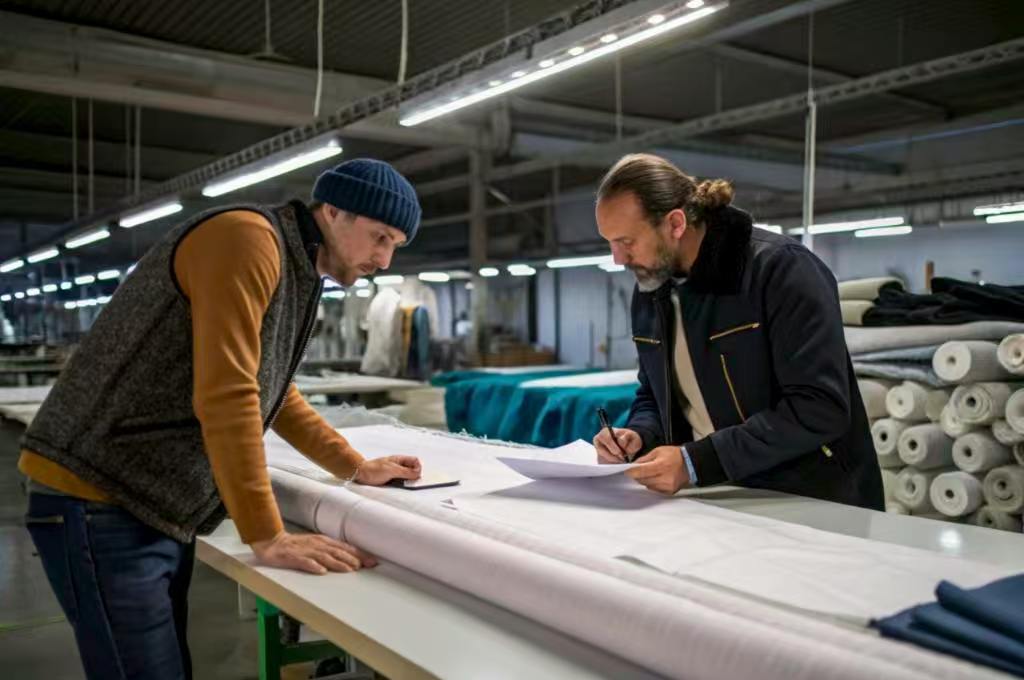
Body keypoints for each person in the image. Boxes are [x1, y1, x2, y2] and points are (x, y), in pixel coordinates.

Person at [19, 158, 424, 679]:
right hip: (97, 492)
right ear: (333, 212)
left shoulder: (297, 268)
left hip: (149, 499)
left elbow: (272, 390)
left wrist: (354, 465)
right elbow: (229, 395)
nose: (385, 259)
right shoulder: (247, 239)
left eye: (395, 245)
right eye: (379, 237)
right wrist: (268, 535)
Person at [591, 153, 883, 509]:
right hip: (717, 497)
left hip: (810, 499)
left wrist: (695, 462)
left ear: (676, 223)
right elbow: (655, 393)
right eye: (610, 242)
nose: (618, 258)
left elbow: (819, 407)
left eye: (627, 241)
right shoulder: (652, 290)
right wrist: (639, 433)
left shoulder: (781, 271)